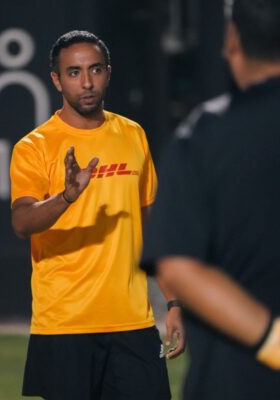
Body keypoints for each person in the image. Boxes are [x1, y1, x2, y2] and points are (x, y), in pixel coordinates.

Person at [10, 30, 185, 399]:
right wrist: (66, 197)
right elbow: (22, 223)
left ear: (108, 73)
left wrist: (174, 303)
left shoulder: (133, 135)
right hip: (64, 326)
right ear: (57, 80)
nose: (86, 82)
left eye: (95, 70)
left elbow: (151, 227)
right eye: (73, 72)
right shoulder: (34, 147)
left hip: (132, 322)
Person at [143, 0, 280, 399]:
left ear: (232, 40)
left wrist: (272, 342)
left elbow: (181, 267)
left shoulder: (203, 137)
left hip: (234, 380)